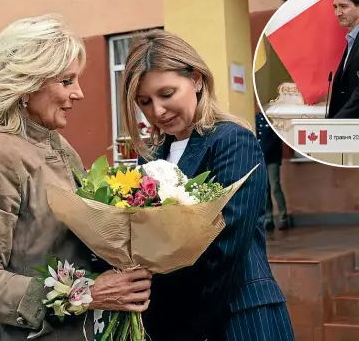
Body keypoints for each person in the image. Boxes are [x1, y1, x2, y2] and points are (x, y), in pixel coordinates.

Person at [0, 14, 152, 341]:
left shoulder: (57, 144)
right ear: (26, 84)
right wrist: (85, 294)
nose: (79, 93)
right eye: (67, 81)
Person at [119, 29, 294, 341]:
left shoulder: (233, 141)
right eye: (144, 101)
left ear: (196, 80)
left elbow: (228, 246)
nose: (156, 111)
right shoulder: (149, 160)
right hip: (173, 318)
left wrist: (192, 328)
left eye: (167, 94)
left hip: (238, 316)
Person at [255, 110, 290, 231]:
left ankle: (283, 217)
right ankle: (268, 218)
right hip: (261, 159)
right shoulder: (257, 118)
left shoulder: (274, 118)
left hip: (272, 158)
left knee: (275, 186)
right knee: (265, 189)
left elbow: (276, 139)